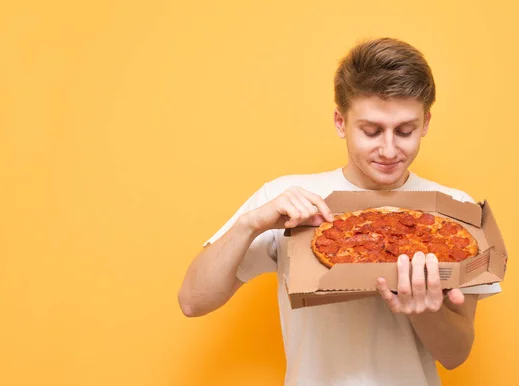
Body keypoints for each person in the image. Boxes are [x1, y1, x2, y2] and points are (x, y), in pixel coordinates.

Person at [178, 37, 501, 385]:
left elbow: (456, 355)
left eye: (405, 131)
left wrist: (423, 310)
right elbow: (193, 302)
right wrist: (250, 223)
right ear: (340, 122)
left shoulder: (455, 212)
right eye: (371, 131)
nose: (389, 149)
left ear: (425, 123)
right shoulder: (289, 199)